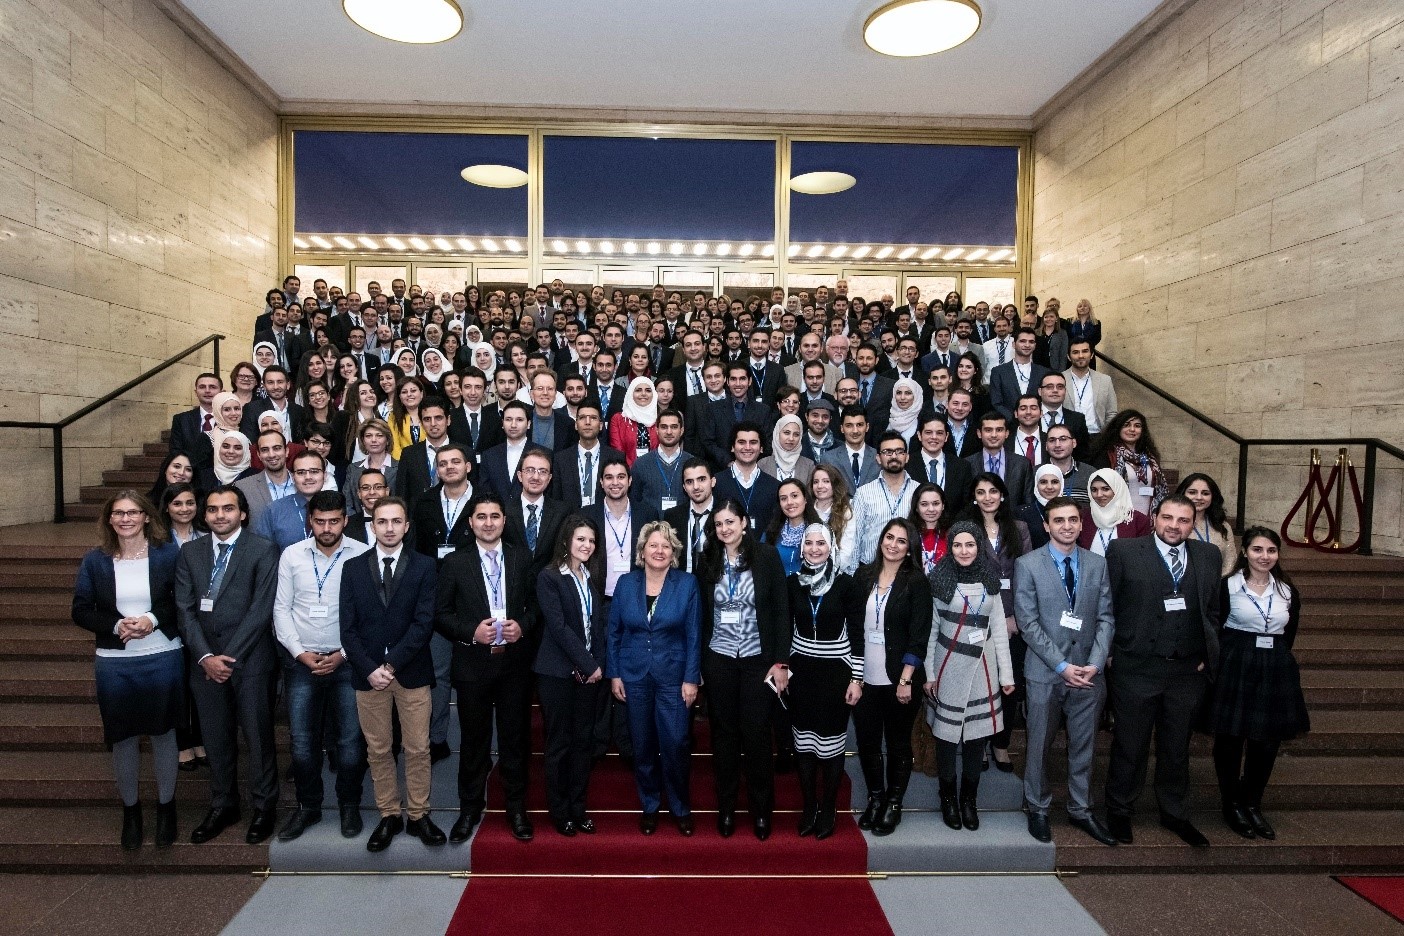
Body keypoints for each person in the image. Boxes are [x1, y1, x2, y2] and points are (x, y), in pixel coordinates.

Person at [1104, 494, 1222, 849]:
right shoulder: (1124, 552)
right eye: (1168, 518)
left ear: (1193, 523)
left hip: (1186, 671)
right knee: (1130, 745)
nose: (1175, 526)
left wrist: (1206, 653)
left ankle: (1174, 813)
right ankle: (1119, 811)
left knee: (1176, 747)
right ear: (1155, 518)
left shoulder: (1208, 556)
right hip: (1136, 667)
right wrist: (1111, 654)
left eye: (1183, 520)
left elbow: (1213, 609)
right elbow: (1108, 606)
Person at [72, 492, 184, 850]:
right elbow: (81, 609)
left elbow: (180, 600)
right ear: (109, 520)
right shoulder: (95, 560)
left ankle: (167, 808)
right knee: (123, 737)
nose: (125, 519)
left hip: (163, 655)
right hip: (115, 661)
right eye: (117, 513)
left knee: (164, 733)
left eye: (132, 512)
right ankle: (131, 811)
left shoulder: (168, 554)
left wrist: (151, 620)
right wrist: (117, 626)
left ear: (147, 517)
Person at [173, 485, 281, 845]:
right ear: (205, 515)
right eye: (214, 509)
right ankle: (223, 805)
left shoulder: (263, 549)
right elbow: (184, 611)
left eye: (228, 509)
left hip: (249, 661)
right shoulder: (191, 553)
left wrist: (228, 658)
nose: (221, 515)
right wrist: (205, 656)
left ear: (243, 513)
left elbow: (261, 610)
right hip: (204, 665)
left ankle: (265, 807)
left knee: (258, 737)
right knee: (216, 740)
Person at [339, 497, 445, 851]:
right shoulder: (352, 568)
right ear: (372, 526)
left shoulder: (425, 567)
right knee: (378, 749)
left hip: (410, 671)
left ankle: (418, 815)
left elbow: (423, 623)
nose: (388, 527)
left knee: (417, 747)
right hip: (367, 675)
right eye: (382, 521)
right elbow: (347, 630)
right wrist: (371, 669)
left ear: (406, 526)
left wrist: (391, 664)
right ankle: (389, 815)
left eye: (396, 521)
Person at [1014, 498, 1118, 846]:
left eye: (1073, 520)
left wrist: (1096, 661)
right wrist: (1061, 665)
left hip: (1089, 674)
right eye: (1059, 520)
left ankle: (1080, 809)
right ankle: (1038, 808)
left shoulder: (1097, 564)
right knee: (1039, 744)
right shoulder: (1028, 565)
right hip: (1045, 672)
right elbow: (1027, 623)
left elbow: (1105, 617)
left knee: (1084, 746)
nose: (1067, 526)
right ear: (1046, 525)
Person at [435, 493, 538, 843]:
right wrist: (470, 632)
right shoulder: (454, 563)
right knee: (474, 741)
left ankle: (516, 809)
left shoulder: (523, 558)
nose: (489, 522)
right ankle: (469, 810)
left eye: (495, 516)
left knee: (515, 739)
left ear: (504, 521)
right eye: (482, 516)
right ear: (471, 522)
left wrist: (521, 625)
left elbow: (538, 607)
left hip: (513, 665)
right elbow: (441, 614)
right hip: (473, 665)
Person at [272, 491, 371, 842]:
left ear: (346, 520)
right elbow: (281, 610)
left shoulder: (362, 554)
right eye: (319, 521)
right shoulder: (292, 556)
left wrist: (344, 653)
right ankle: (308, 808)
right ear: (309, 522)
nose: (327, 528)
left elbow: (368, 614)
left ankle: (349, 806)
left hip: (347, 661)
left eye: (334, 521)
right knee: (301, 742)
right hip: (302, 661)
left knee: (350, 741)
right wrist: (299, 653)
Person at [695, 498, 790, 840]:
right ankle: (726, 810)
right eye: (719, 524)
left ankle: (762, 812)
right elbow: (701, 616)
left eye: (730, 522)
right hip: (719, 658)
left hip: (757, 661)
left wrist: (781, 662)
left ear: (744, 522)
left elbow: (781, 611)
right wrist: (699, 664)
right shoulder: (706, 558)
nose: (725, 529)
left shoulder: (766, 557)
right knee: (724, 738)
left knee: (757, 736)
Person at [1211, 527, 1308, 842]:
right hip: (1236, 663)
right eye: (1257, 550)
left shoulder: (1287, 590)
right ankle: (1231, 803)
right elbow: (1217, 626)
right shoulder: (1227, 587)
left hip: (1274, 667)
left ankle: (1252, 803)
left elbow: (1288, 634)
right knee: (1230, 739)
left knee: (1266, 742)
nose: (1264, 556)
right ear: (1244, 552)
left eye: (1271, 550)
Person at [608, 521, 702, 835]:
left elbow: (693, 634)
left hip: (674, 677)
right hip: (633, 676)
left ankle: (679, 806)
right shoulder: (625, 583)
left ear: (673, 552)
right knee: (643, 743)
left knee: (675, 743)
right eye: (653, 545)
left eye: (665, 546)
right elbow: (614, 633)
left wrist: (691, 678)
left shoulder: (687, 584)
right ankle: (650, 804)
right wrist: (615, 673)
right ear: (643, 551)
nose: (659, 551)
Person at [923, 521, 1015, 831]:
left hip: (984, 669)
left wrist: (1006, 675)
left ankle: (968, 800)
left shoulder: (991, 580)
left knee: (977, 740)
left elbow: (1000, 631)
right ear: (950, 548)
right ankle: (948, 799)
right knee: (947, 739)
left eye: (970, 545)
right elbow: (931, 631)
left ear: (979, 547)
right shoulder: (938, 580)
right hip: (947, 666)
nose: (964, 551)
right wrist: (929, 673)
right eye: (958, 545)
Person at [852, 519, 932, 836]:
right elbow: (854, 628)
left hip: (901, 678)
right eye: (889, 537)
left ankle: (894, 804)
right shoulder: (863, 576)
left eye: (901, 540)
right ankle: (876, 799)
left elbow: (919, 635)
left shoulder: (916, 582)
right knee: (868, 742)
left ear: (910, 547)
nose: (893, 544)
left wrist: (906, 679)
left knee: (898, 743)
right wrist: (854, 676)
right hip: (865, 676)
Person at [786, 524, 864, 840]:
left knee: (830, 747)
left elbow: (857, 634)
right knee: (803, 745)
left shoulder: (847, 585)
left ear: (831, 546)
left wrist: (857, 678)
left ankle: (828, 808)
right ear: (801, 548)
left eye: (821, 543)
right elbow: (784, 628)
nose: (815, 548)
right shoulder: (792, 583)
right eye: (809, 543)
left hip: (836, 672)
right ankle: (809, 807)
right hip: (802, 672)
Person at [534, 516, 609, 836]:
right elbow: (559, 628)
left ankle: (578, 808)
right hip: (557, 674)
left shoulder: (589, 578)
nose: (587, 545)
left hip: (588, 675)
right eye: (581, 539)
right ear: (566, 540)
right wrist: (588, 664)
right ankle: (560, 810)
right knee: (560, 744)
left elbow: (596, 628)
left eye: (591, 541)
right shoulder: (549, 577)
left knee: (583, 744)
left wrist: (596, 664)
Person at [852, 431, 916, 566]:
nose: (894, 456)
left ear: (907, 457)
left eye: (899, 451)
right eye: (887, 452)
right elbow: (854, 537)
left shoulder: (918, 491)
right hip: (869, 567)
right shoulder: (864, 493)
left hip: (907, 569)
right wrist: (853, 573)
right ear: (878, 458)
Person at [1092, 409, 1166, 517]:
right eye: (1127, 425)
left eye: (1137, 426)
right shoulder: (1107, 455)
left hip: (1149, 516)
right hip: (1118, 516)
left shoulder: (1150, 457)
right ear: (1118, 428)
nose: (1132, 429)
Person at [254, 451, 330, 552]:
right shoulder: (274, 510)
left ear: (324, 476)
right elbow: (262, 553)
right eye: (301, 472)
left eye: (314, 471)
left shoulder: (338, 508)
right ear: (293, 478)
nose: (308, 477)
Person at [712, 421, 781, 534]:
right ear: (732, 447)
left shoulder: (774, 486)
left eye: (753, 442)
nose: (747, 447)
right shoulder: (716, 482)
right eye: (741, 442)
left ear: (762, 448)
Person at [629, 408, 691, 515]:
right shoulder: (640, 464)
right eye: (664, 427)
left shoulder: (692, 463)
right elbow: (634, 501)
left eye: (674, 427)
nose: (669, 432)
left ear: (681, 431)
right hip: (649, 527)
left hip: (683, 527)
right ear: (657, 430)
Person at [966, 411, 1032, 507]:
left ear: (1007, 433)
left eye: (999, 430)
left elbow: (1028, 503)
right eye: (988, 430)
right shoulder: (967, 464)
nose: (994, 435)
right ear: (979, 433)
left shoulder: (1022, 464)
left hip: (1013, 520)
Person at [1079, 468, 1151, 555]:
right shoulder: (1084, 517)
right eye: (1094, 490)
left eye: (1105, 489)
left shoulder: (1138, 520)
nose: (1099, 495)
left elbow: (1143, 555)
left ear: (1117, 489)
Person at [1178, 472, 1236, 576]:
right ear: (1183, 494)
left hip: (1217, 585)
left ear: (1213, 497)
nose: (1199, 497)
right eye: (1192, 492)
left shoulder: (1223, 526)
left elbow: (1230, 561)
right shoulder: (1173, 525)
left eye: (1205, 493)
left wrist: (1215, 582)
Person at [762, 479, 821, 575]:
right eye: (783, 498)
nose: (789, 502)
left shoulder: (820, 531)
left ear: (805, 499)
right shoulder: (770, 534)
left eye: (794, 496)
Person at [810, 463, 859, 574]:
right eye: (816, 482)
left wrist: (825, 573)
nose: (820, 486)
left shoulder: (846, 512)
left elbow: (846, 552)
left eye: (826, 481)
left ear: (835, 484)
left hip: (836, 574)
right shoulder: (806, 509)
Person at [170, 373, 222, 470]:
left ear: (221, 392)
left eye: (212, 387)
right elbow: (175, 452)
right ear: (196, 392)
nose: (207, 391)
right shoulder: (181, 420)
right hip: (190, 475)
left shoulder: (230, 419)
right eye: (202, 387)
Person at [608, 376, 659, 467]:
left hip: (655, 472)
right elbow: (618, 451)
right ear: (631, 393)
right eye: (638, 390)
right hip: (627, 472)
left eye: (648, 390)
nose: (643, 394)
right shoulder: (618, 419)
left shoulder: (660, 419)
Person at [758, 413, 815, 485]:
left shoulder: (809, 465)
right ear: (777, 433)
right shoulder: (763, 464)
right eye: (787, 433)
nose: (791, 438)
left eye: (796, 434)